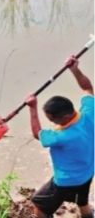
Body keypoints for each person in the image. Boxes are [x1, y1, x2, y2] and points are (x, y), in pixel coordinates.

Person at [25, 55, 94, 218]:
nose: (51, 122)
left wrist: (32, 108)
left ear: (64, 118)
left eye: (51, 119)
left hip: (65, 181)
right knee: (82, 200)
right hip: (87, 172)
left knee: (39, 204)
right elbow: (88, 88)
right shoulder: (90, 111)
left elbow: (38, 134)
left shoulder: (61, 136)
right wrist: (75, 70)